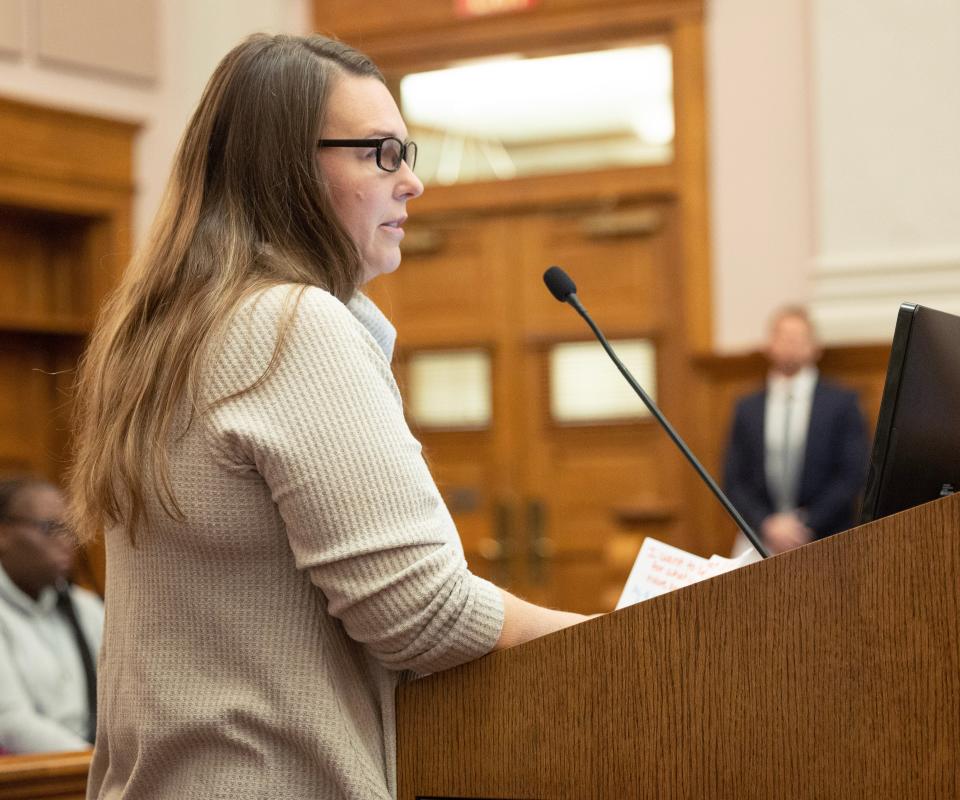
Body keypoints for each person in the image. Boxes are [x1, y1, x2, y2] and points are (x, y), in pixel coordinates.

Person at [67, 33, 590, 799]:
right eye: (379, 153)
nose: (411, 182)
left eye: (407, 151)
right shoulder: (291, 325)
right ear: (285, 169)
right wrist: (616, 634)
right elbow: (423, 612)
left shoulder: (168, 330)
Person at [723, 306, 869, 555]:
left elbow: (851, 474)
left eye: (799, 337)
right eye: (782, 336)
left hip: (827, 537)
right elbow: (734, 479)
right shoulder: (747, 408)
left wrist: (806, 524)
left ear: (816, 347)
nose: (790, 343)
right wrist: (767, 524)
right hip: (761, 537)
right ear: (768, 345)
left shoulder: (842, 404)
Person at [0, 478, 102, 753]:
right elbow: (9, 722)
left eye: (69, 530)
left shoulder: (87, 608)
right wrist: (94, 765)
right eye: (50, 528)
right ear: (4, 533)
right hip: (34, 781)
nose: (66, 542)